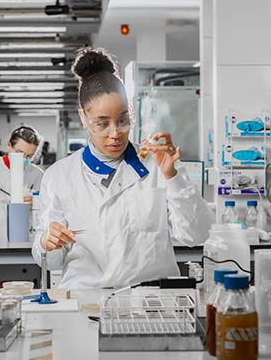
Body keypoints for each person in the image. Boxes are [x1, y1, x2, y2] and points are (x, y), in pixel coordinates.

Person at [31, 47, 213, 289]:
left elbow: (197, 235)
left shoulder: (159, 164)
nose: (115, 133)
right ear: (84, 119)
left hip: (151, 298)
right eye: (102, 123)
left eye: (123, 120)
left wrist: (172, 177)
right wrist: (46, 241)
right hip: (87, 298)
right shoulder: (60, 176)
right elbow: (52, 262)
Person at [0, 126, 44, 205]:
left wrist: (37, 203)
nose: (24, 159)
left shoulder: (38, 174)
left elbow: (45, 205)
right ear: (9, 145)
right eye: (19, 152)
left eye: (29, 156)